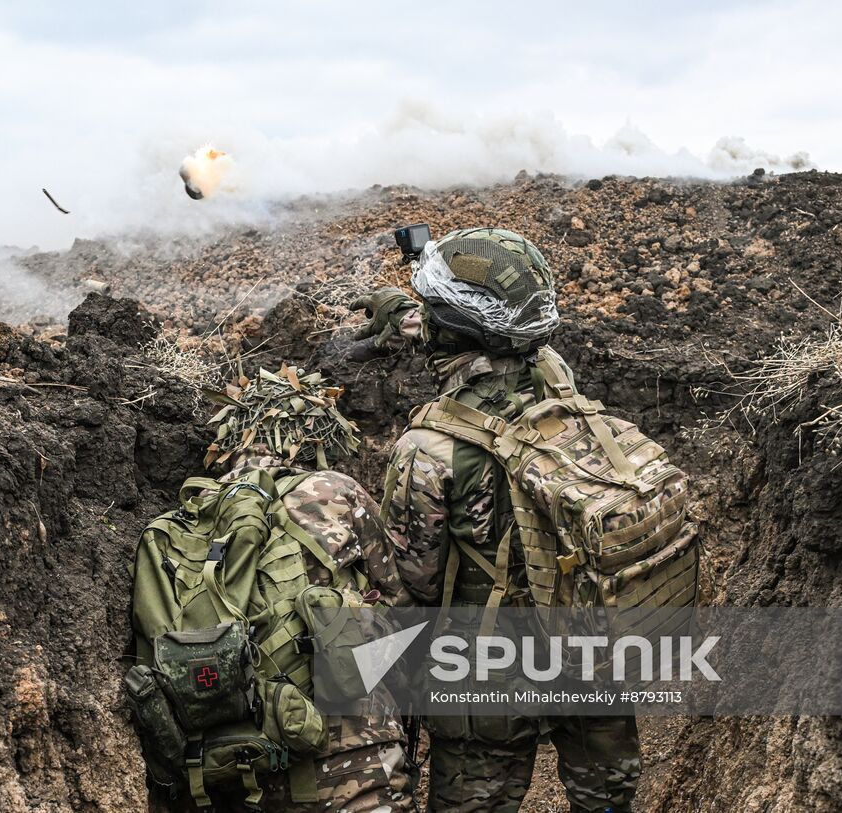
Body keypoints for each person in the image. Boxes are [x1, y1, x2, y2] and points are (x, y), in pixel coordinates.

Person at [352, 228, 641, 813]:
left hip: (489, 675)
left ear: (453, 326)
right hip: (590, 647)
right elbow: (494, 339)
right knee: (606, 796)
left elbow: (411, 587)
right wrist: (411, 311)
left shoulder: (427, 449)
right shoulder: (554, 376)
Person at [202, 366, 416, 813]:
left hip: (239, 760)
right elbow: (397, 599)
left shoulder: (198, 508)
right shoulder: (335, 491)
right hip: (354, 749)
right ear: (316, 438)